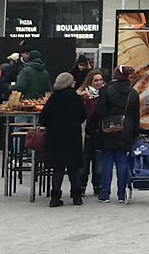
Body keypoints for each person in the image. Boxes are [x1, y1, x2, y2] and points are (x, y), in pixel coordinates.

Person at [89, 65, 140, 203]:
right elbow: (136, 116)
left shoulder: (106, 90)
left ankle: (105, 194)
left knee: (107, 160)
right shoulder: (133, 93)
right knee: (122, 160)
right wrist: (135, 134)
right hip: (126, 130)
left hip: (109, 128)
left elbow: (99, 111)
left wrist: (91, 127)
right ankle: (121, 195)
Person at [38, 72, 87, 206]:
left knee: (58, 168)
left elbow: (43, 119)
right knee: (74, 167)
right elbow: (83, 115)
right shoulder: (76, 99)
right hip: (73, 136)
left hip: (55, 137)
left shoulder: (53, 99)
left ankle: (55, 197)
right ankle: (77, 197)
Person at [77, 68, 106, 196]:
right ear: (90, 81)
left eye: (100, 80)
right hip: (86, 131)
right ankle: (82, 186)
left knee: (98, 161)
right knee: (84, 161)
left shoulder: (106, 94)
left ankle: (98, 186)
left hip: (100, 132)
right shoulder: (82, 94)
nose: (99, 83)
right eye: (96, 80)